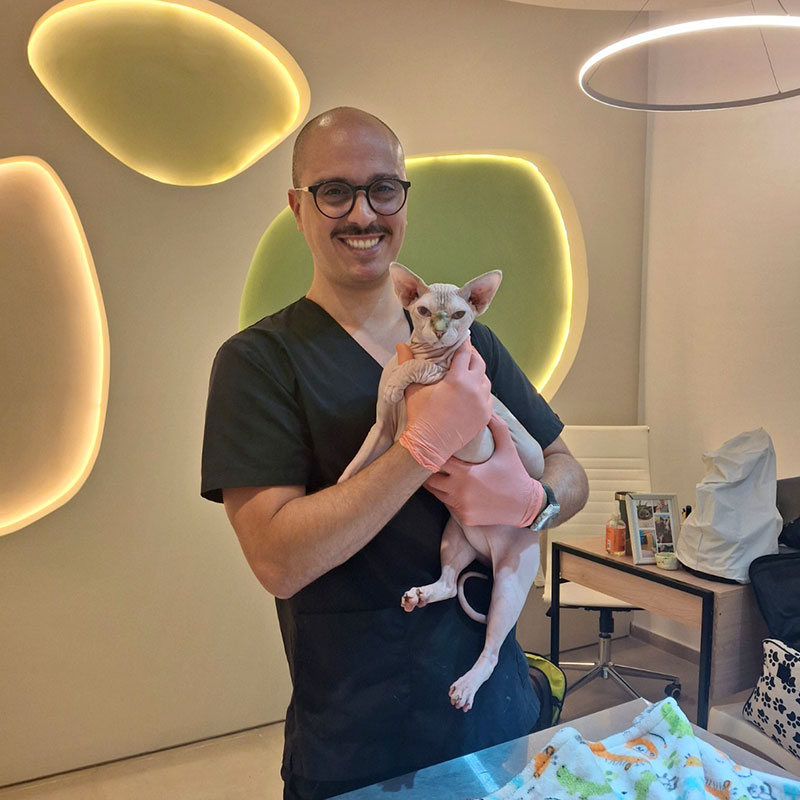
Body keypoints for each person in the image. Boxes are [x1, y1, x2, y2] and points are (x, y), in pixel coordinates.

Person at [201, 107, 589, 800]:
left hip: (495, 712)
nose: (363, 213)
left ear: (404, 201)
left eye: (383, 189)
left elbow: (569, 470)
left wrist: (536, 502)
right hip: (359, 733)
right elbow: (278, 560)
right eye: (334, 191)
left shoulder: (472, 343)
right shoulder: (258, 363)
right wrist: (421, 445)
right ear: (297, 207)